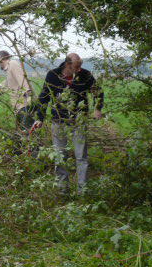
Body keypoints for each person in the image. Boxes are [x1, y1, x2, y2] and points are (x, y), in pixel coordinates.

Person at [32, 53, 103, 195]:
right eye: (76, 67)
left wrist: (97, 108)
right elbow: (44, 97)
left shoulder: (85, 75)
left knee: (81, 157)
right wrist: (40, 118)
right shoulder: (53, 75)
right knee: (60, 156)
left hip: (79, 121)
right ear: (67, 64)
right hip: (59, 121)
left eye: (80, 67)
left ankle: (83, 191)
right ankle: (63, 190)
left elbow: (98, 92)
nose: (78, 70)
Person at [0, 50, 34, 132]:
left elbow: (22, 79)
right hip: (18, 108)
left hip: (24, 106)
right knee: (21, 133)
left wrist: (28, 95)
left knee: (27, 133)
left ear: (1, 60)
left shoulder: (12, 64)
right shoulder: (9, 69)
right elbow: (5, 85)